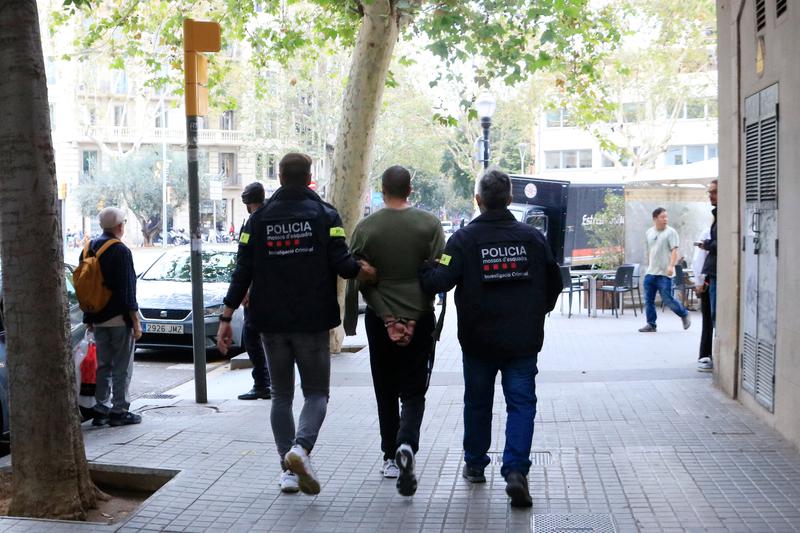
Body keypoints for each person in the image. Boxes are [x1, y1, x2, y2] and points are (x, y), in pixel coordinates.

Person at [216, 153, 376, 496]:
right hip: (313, 321)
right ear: (309, 177)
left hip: (270, 323)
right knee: (316, 394)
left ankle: (287, 472)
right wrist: (362, 265)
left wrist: (227, 317)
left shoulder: (257, 222)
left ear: (279, 175)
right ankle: (300, 450)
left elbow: (242, 273)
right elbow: (344, 265)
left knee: (281, 396)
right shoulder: (325, 215)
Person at [419, 169, 562, 508]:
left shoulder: (464, 240)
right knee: (522, 404)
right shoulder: (532, 238)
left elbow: (440, 281)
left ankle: (474, 463)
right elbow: (554, 282)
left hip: (479, 340)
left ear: (478, 201)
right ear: (510, 199)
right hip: (522, 341)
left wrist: (423, 269)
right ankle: (515, 470)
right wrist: (536, 311)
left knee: (478, 402)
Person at [343, 165, 445, 497]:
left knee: (385, 388)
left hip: (379, 319)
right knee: (414, 390)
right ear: (410, 189)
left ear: (382, 190)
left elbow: (359, 278)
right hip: (420, 319)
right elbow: (437, 276)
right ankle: (407, 444)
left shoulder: (367, 228)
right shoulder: (429, 225)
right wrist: (413, 317)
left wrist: (388, 318)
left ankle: (389, 455)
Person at [81, 207, 142, 427]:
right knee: (122, 366)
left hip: (97, 318)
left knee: (103, 365)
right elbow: (127, 290)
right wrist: (135, 321)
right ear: (120, 226)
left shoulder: (88, 248)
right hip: (118, 319)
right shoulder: (121, 251)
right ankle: (119, 410)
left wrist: (89, 317)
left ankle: (101, 410)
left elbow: (86, 287)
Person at [237, 182, 272, 400]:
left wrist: (244, 291)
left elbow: (244, 264)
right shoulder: (271, 219)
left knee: (251, 337)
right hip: (274, 291)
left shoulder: (252, 223)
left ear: (248, 203)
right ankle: (267, 382)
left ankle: (262, 384)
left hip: (258, 292)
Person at [638, 207, 691, 333]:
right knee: (648, 300)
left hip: (664, 274)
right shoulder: (649, 232)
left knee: (668, 299)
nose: (665, 219)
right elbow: (649, 250)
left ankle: (683, 314)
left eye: (666, 217)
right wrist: (648, 264)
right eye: (662, 217)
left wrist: (671, 266)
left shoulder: (671, 232)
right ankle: (651, 324)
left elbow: (674, 250)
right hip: (651, 272)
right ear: (655, 219)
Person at [695, 179, 717, 371]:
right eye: (709, 192)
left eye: (714, 192)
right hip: (711, 275)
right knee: (709, 318)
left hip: (713, 275)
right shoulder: (715, 221)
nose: (710, 195)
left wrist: (699, 280)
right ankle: (705, 354)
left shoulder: (721, 220)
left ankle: (708, 355)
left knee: (712, 317)